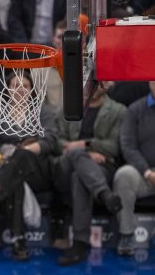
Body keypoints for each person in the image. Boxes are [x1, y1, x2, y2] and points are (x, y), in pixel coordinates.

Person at [0, 72, 57, 260]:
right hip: (4, 165)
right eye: (15, 85)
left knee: (20, 157)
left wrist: (25, 150)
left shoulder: (44, 110)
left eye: (24, 85)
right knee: (15, 177)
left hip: (38, 169)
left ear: (32, 89)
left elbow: (50, 141)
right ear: (7, 89)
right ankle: (18, 242)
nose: (20, 90)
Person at [55, 82, 127, 266]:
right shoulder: (67, 108)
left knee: (79, 177)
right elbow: (56, 141)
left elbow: (114, 146)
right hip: (65, 166)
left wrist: (85, 145)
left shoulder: (119, 111)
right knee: (76, 155)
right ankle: (105, 194)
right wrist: (83, 151)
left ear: (106, 86)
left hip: (101, 167)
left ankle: (79, 243)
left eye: (98, 83)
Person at [113, 81, 155, 256]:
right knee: (123, 175)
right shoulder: (135, 110)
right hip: (143, 174)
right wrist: (147, 172)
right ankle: (127, 235)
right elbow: (128, 146)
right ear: (150, 83)